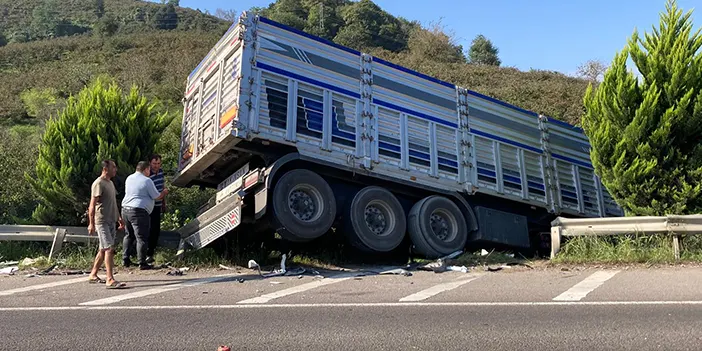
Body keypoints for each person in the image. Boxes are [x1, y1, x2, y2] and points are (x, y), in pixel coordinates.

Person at [87, 159, 127, 289]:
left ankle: (93, 274)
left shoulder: (110, 183)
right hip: (102, 221)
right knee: (109, 248)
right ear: (105, 169)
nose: (115, 169)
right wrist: (91, 223)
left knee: (103, 249)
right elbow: (92, 205)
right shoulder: (98, 183)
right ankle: (110, 279)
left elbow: (112, 203)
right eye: (113, 167)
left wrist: (119, 218)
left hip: (111, 220)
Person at [121, 161, 168, 270]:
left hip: (125, 209)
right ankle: (142, 262)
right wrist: (164, 192)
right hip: (139, 211)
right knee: (141, 237)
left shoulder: (129, 178)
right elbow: (157, 196)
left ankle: (125, 259)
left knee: (129, 235)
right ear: (146, 169)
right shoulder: (147, 181)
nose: (149, 172)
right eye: (149, 170)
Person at [146, 154, 167, 264]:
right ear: (150, 163)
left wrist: (164, 202)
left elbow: (162, 185)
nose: (156, 166)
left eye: (158, 164)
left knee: (156, 229)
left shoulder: (161, 172)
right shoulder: (148, 175)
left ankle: (151, 253)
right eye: (154, 163)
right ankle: (146, 253)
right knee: (148, 229)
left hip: (158, 204)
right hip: (149, 205)